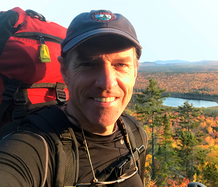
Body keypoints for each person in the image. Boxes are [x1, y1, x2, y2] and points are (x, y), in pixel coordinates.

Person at [0, 9, 147, 187]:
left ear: (135, 72)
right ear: (64, 71)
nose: (107, 83)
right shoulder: (38, 148)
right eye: (88, 64)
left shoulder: (135, 134)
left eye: (121, 64)